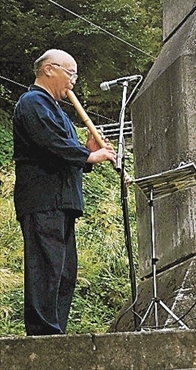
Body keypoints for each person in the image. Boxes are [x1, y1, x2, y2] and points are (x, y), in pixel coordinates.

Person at [12, 49, 117, 336]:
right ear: (48, 70)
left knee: (64, 273)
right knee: (46, 269)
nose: (73, 81)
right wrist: (88, 156)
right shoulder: (33, 102)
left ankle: (55, 333)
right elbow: (51, 143)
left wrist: (89, 151)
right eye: (70, 74)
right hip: (43, 199)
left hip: (62, 201)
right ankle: (43, 336)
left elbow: (65, 154)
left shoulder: (56, 109)